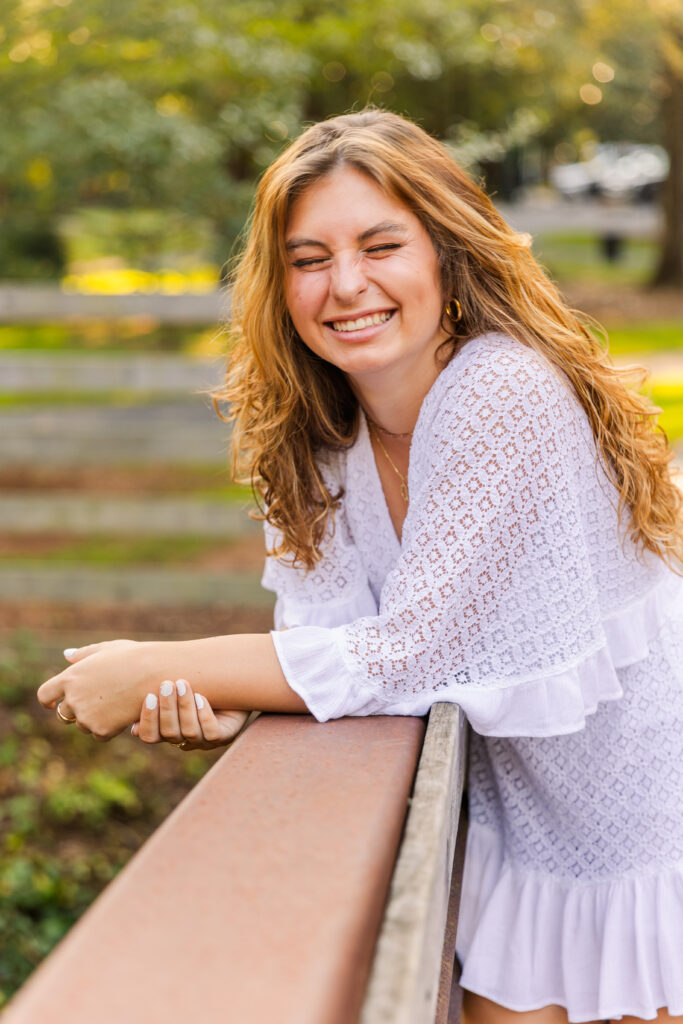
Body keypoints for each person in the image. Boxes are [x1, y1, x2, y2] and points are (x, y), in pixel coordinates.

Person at [38, 109, 683, 1023]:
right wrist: (233, 703)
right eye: (308, 259)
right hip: (514, 830)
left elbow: (405, 652)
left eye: (381, 245)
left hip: (645, 830)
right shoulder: (322, 436)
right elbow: (334, 646)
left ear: (445, 255)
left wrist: (157, 664)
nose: (345, 285)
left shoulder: (500, 389)